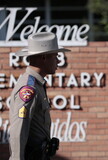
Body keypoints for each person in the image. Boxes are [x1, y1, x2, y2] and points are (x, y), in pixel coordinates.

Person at [9, 32, 70, 160]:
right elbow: (18, 130)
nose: (58, 61)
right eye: (55, 56)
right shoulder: (28, 88)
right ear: (43, 57)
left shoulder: (37, 84)